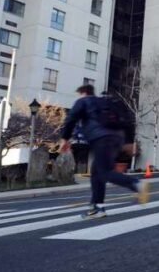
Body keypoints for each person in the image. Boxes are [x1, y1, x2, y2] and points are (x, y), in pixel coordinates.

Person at [60, 84, 149, 218]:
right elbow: (127, 120)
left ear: (83, 92)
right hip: (117, 139)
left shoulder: (83, 101)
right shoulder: (106, 102)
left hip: (101, 138)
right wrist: (130, 142)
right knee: (97, 173)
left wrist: (64, 139)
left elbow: (71, 119)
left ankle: (136, 184)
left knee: (104, 172)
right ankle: (97, 208)